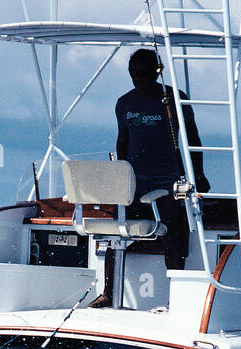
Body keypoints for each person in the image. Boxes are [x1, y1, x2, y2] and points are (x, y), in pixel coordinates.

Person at [91, 48, 210, 307]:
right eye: (134, 75)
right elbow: (122, 141)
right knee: (116, 228)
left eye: (144, 74)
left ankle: (176, 295)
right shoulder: (124, 103)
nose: (139, 80)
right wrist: (120, 177)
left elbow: (193, 139)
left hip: (167, 179)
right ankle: (109, 291)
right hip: (135, 180)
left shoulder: (174, 98)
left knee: (172, 230)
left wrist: (198, 174)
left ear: (157, 72)